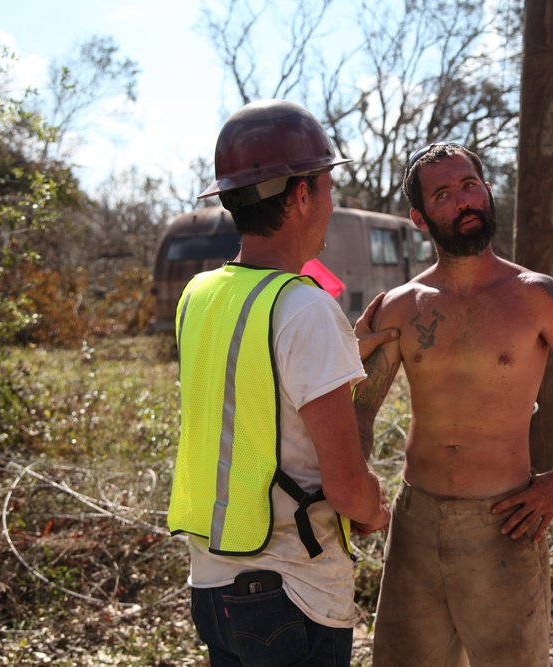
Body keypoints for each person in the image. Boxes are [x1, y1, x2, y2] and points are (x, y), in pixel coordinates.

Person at [353, 141, 553, 667]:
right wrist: (355, 479)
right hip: (415, 523)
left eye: (470, 184)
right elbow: (362, 409)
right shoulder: (402, 307)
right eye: (443, 194)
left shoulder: (537, 297)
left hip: (504, 521)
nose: (464, 200)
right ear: (419, 218)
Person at [166, 99, 392, 667]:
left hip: (212, 586)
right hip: (289, 592)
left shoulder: (199, 295)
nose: (332, 204)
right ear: (299, 196)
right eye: (327, 187)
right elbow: (345, 487)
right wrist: (375, 509)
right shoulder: (305, 309)